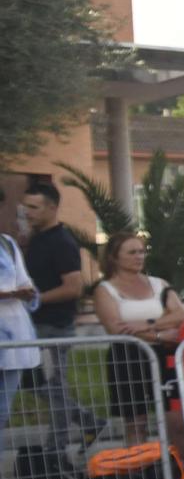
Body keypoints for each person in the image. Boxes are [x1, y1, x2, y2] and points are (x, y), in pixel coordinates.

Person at [18, 181, 104, 455]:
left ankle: (54, 452)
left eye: (33, 207)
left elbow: (74, 287)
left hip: (54, 327)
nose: (27, 213)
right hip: (35, 327)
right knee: (31, 382)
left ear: (52, 208)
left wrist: (35, 299)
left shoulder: (62, 242)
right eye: (25, 207)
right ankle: (89, 420)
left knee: (55, 389)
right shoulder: (35, 239)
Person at [90, 231, 184, 436]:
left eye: (142, 252)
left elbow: (180, 314)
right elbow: (117, 329)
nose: (139, 257)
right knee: (136, 422)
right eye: (132, 252)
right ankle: (138, 467)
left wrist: (146, 324)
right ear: (114, 257)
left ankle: (180, 466)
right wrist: (159, 335)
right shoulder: (105, 290)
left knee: (176, 419)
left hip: (166, 356)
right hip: (128, 358)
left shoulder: (159, 284)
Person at [0, 224, 40, 479]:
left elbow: (25, 283)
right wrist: (11, 294)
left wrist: (28, 292)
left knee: (2, 415)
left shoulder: (7, 243)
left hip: (12, 344)